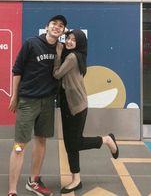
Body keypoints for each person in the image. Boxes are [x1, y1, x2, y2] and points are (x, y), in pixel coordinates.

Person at [53, 29, 119, 194]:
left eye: (73, 40)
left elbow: (56, 74)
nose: (69, 41)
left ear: (79, 43)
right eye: (68, 38)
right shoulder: (76, 56)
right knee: (70, 144)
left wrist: (58, 54)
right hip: (70, 105)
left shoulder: (72, 57)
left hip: (76, 106)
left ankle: (106, 140)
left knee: (74, 143)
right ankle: (76, 180)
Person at [8, 14, 67, 196]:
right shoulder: (31, 43)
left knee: (41, 140)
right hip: (27, 101)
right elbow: (17, 70)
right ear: (46, 26)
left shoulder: (61, 48)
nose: (57, 27)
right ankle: (12, 190)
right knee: (20, 144)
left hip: (48, 102)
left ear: (63, 31)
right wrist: (14, 95)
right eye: (54, 24)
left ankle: (34, 180)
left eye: (61, 25)